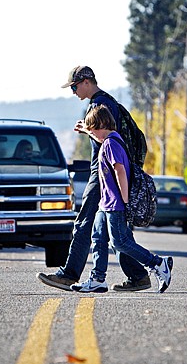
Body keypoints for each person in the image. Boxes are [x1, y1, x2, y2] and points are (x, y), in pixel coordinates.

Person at [37, 66, 151, 292]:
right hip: (103, 173)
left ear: (87, 81)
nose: (73, 92)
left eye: (75, 86)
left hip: (102, 175)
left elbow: (109, 139)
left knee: (84, 223)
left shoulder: (101, 104)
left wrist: (88, 132)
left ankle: (69, 275)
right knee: (112, 232)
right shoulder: (104, 102)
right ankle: (139, 276)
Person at [70, 106, 172, 293]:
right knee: (98, 238)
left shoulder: (111, 144)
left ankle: (158, 263)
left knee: (120, 242)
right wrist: (86, 130)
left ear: (101, 125)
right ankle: (97, 279)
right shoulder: (110, 139)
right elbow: (99, 139)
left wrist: (125, 202)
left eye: (92, 128)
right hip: (105, 203)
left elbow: (120, 171)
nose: (92, 133)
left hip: (115, 204)